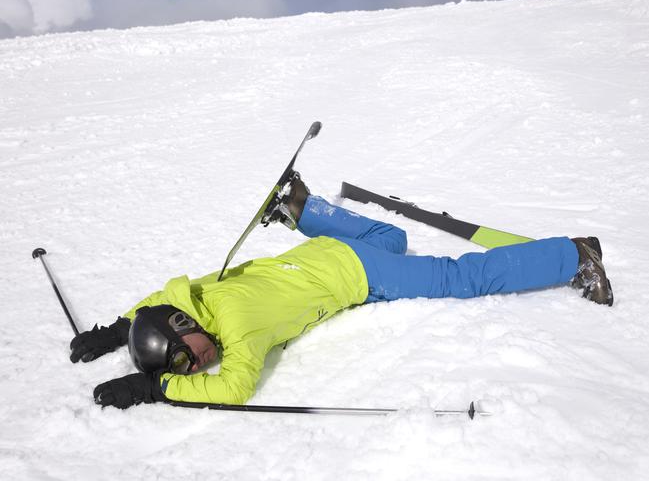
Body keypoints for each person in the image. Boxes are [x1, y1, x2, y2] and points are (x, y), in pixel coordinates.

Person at [71, 176, 613, 410]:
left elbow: (235, 389)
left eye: (190, 361)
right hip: (317, 260)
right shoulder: (194, 294)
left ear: (184, 329)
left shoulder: (238, 330)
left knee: (457, 277)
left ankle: (575, 255)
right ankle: (304, 210)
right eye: (188, 370)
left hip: (354, 275)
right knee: (392, 238)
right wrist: (119, 331)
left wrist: (155, 390)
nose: (197, 369)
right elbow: (153, 304)